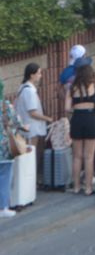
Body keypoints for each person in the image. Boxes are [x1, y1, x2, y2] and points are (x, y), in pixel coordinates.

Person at [64, 63, 95, 195]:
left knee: (77, 157)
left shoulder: (72, 88)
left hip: (76, 119)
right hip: (91, 118)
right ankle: (88, 188)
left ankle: (76, 187)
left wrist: (73, 113)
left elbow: (66, 108)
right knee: (89, 156)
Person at [14, 63, 53, 177]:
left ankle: (28, 178)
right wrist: (48, 118)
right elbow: (33, 112)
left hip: (25, 127)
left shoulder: (22, 88)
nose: (40, 76)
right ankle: (30, 179)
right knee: (31, 154)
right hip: (32, 128)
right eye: (39, 73)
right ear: (32, 75)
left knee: (26, 154)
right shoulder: (29, 91)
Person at [1, 78, 25, 217]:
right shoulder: (5, 106)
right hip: (4, 149)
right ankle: (3, 207)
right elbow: (17, 122)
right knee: (4, 177)